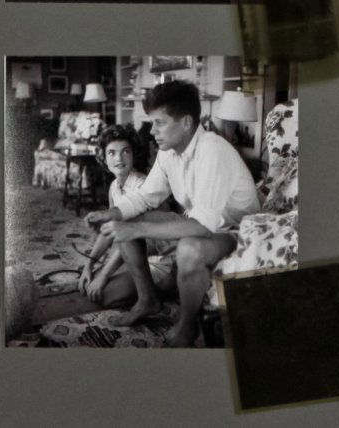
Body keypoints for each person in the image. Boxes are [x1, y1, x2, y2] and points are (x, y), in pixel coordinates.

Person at [88, 81, 260, 347]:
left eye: (159, 123)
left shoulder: (213, 150)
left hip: (236, 233)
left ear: (186, 122)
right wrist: (111, 213)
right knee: (127, 218)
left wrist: (138, 229)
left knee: (188, 248)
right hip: (201, 224)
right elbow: (146, 196)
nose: (152, 131)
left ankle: (187, 326)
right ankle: (147, 300)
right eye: (152, 123)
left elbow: (203, 226)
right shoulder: (168, 152)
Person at [78, 124, 174, 308]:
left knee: (104, 296)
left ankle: (162, 292)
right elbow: (107, 231)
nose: (119, 159)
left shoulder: (143, 186)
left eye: (125, 151)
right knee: (90, 283)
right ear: (103, 157)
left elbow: (134, 238)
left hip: (160, 262)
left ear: (134, 154)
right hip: (137, 259)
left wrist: (104, 276)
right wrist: (88, 265)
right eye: (112, 153)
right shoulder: (114, 186)